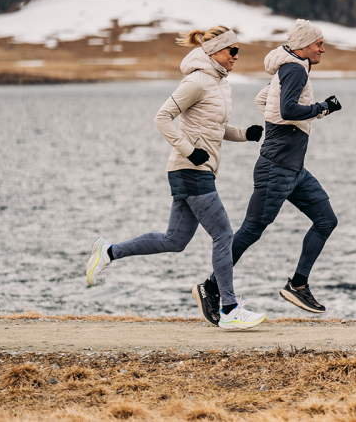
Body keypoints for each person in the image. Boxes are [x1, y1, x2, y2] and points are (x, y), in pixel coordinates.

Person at [85, 25, 267, 330]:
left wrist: (243, 134)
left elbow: (213, 128)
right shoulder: (196, 81)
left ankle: (109, 251)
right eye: (232, 50)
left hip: (192, 171)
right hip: (190, 170)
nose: (236, 56)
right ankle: (230, 309)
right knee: (223, 235)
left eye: (238, 51)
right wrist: (190, 150)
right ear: (215, 51)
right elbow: (162, 117)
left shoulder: (220, 84)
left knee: (175, 240)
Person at [193, 19, 342, 324]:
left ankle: (297, 285)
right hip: (276, 167)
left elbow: (266, 101)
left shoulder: (291, 68)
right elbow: (287, 111)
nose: (323, 49)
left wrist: (289, 121)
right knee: (250, 231)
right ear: (303, 45)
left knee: (326, 219)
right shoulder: (295, 69)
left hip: (293, 168)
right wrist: (320, 108)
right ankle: (209, 288)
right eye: (319, 44)